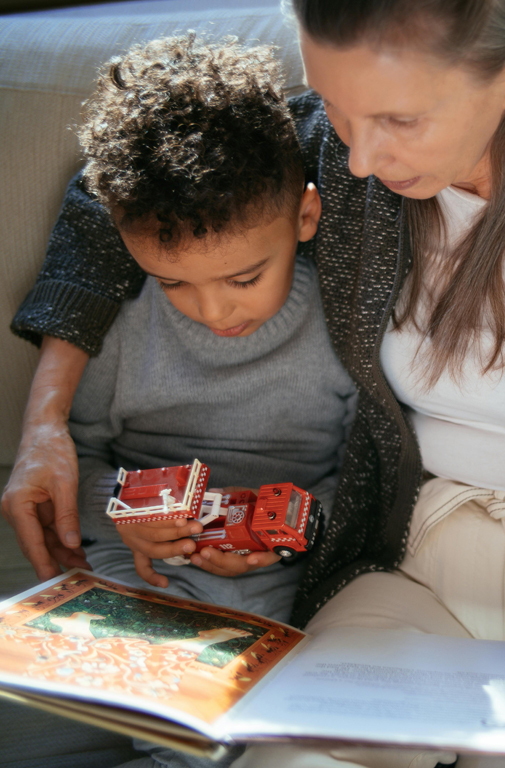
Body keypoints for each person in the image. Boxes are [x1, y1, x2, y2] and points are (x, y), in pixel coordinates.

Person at [3, 1, 505, 766]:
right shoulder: (341, 158)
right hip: (398, 561)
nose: (355, 158)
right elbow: (110, 193)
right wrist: (44, 427)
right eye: (336, 108)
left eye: (398, 121)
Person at [28, 33, 357, 768]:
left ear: (305, 218)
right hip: (143, 557)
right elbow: (76, 460)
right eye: (175, 282)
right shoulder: (120, 330)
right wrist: (124, 509)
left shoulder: (343, 326)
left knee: (287, 707)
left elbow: (367, 467)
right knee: (177, 703)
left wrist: (300, 526)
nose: (212, 310)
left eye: (244, 279)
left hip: (289, 555)